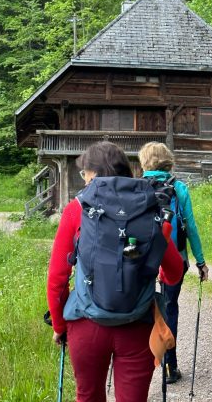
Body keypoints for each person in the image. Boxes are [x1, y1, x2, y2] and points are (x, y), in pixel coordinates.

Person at [47, 141, 183, 402]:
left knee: (88, 396)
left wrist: (60, 324)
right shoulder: (149, 208)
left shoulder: (78, 208)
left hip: (86, 325)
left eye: (84, 172)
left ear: (94, 173)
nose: (83, 178)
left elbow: (57, 278)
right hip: (137, 325)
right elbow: (174, 272)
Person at [138, 141, 209, 385]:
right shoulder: (179, 188)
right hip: (174, 259)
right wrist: (200, 262)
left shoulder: (135, 188)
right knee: (169, 308)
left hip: (141, 260)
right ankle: (171, 366)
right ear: (168, 162)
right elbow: (190, 228)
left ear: (144, 162)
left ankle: (141, 368)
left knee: (141, 309)